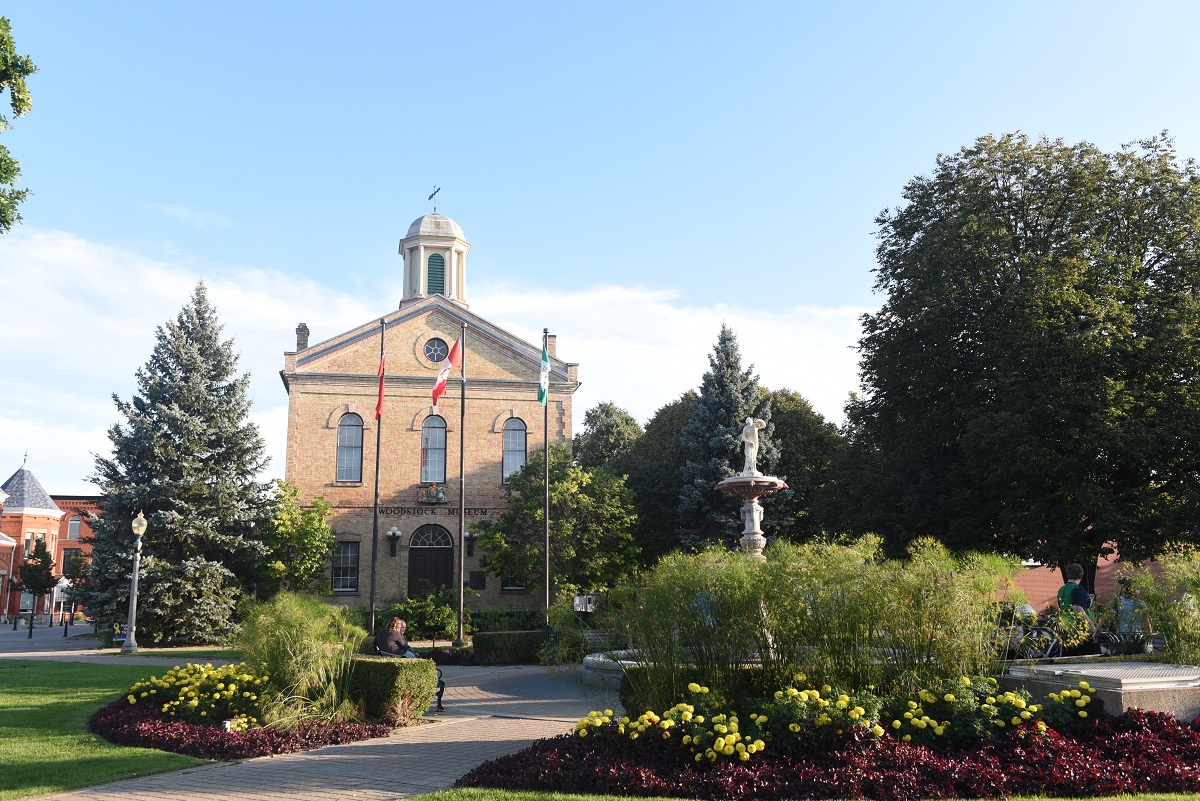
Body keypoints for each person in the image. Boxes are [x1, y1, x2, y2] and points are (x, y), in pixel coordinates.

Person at [1057, 563, 1102, 656]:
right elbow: (1077, 607)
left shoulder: (1061, 590)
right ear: (1081, 575)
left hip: (1066, 627)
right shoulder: (1078, 589)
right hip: (1081, 629)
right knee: (1090, 657)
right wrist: (1091, 625)